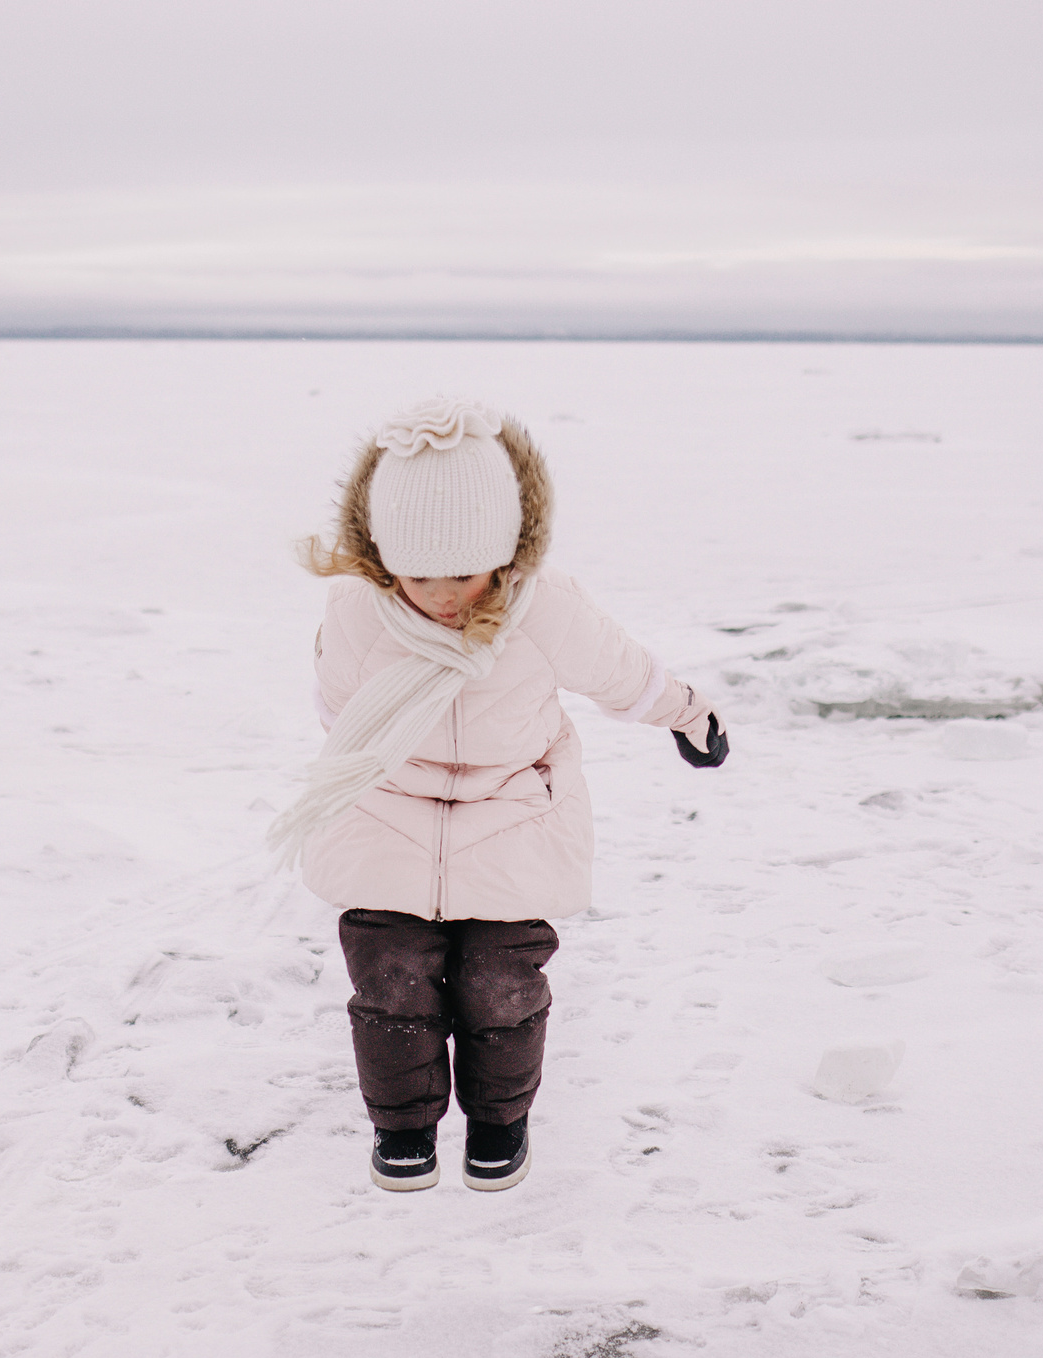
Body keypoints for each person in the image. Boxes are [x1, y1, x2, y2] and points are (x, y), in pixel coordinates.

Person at [267, 397, 727, 1193]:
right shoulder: (357, 609)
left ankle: (499, 1120)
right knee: (391, 981)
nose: (443, 598)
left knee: (500, 987)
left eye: (464, 575)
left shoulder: (541, 607)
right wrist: (365, 764)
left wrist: (690, 713)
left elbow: (622, 672)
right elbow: (338, 710)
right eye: (418, 576)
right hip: (388, 815)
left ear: (508, 550)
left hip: (514, 818)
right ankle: (404, 1129)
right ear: (382, 558)